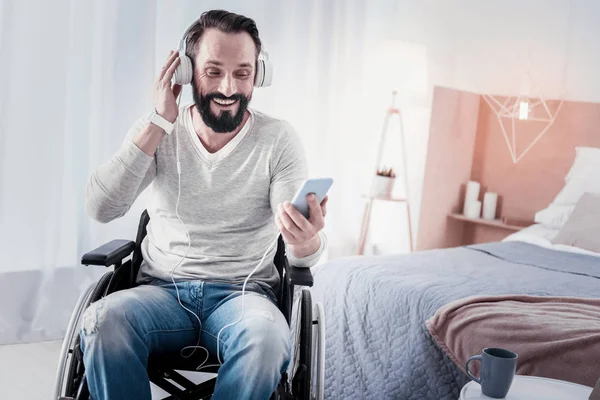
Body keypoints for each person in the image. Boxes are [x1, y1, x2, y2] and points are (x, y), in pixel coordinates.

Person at [80, 9, 328, 400]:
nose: (229, 87)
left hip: (245, 298)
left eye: (243, 73)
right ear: (185, 72)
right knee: (102, 319)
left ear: (258, 76)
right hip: (159, 293)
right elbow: (101, 207)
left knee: (266, 338)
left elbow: (297, 245)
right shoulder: (160, 130)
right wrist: (161, 120)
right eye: (213, 71)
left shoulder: (278, 140)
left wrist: (305, 242)